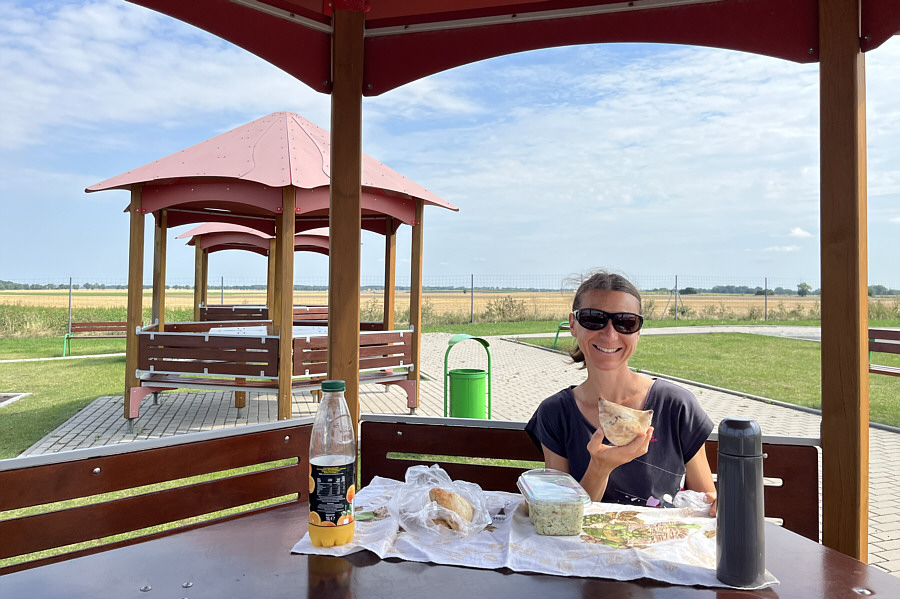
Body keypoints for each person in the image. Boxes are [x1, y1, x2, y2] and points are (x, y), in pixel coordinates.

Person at [525, 270, 717, 515]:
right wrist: (600, 468)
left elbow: (704, 505)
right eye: (593, 319)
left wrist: (718, 505)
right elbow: (558, 516)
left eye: (626, 322)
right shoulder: (555, 413)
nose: (610, 334)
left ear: (638, 332)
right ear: (573, 325)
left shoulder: (676, 406)